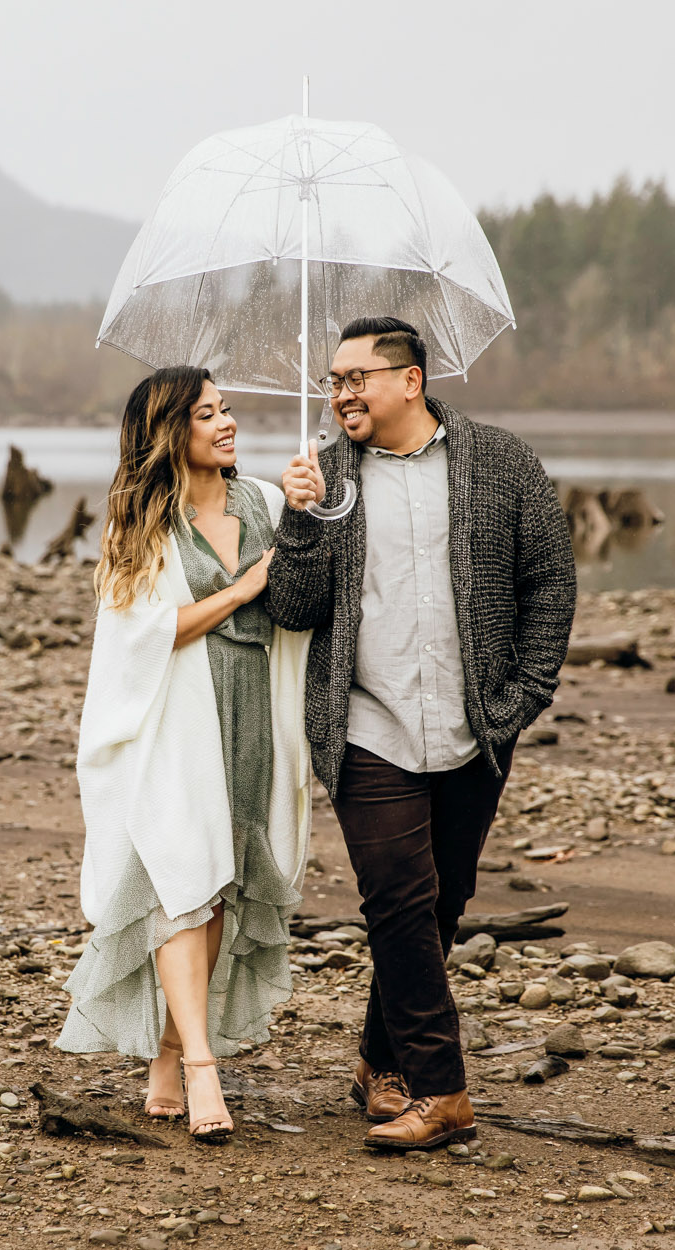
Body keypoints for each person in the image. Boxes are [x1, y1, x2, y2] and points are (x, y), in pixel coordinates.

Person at [268, 316, 576, 1151]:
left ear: (411, 380)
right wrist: (298, 520)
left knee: (441, 900)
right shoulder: (325, 475)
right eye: (332, 380)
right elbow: (294, 610)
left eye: (355, 377)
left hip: (476, 724)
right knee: (396, 897)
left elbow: (550, 578)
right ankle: (443, 1092)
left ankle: (379, 1060)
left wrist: (524, 695)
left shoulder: (500, 461)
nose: (339, 393)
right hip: (367, 723)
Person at [57, 365, 312, 1143]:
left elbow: (309, 592)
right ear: (174, 431)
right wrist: (241, 590)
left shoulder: (266, 503)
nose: (227, 422)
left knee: (223, 886)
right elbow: (144, 633)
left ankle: (168, 1051)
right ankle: (203, 1065)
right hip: (177, 718)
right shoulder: (139, 525)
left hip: (254, 714)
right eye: (208, 413)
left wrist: (311, 509)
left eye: (227, 409)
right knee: (179, 884)